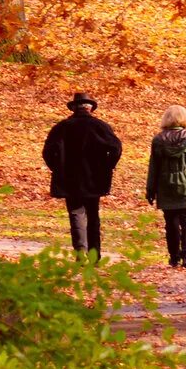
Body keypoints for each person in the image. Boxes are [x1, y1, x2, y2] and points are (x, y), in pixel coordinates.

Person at [42, 93, 122, 260]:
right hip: (95, 178)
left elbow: (48, 152)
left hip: (68, 178)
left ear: (74, 108)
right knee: (93, 215)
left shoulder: (61, 127)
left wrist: (57, 168)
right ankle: (94, 254)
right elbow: (116, 148)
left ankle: (80, 251)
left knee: (76, 213)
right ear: (90, 108)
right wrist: (107, 166)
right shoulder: (100, 127)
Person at [146, 105, 186, 268]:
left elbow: (154, 166)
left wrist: (151, 189)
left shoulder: (158, 139)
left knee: (170, 221)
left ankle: (174, 257)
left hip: (165, 184)